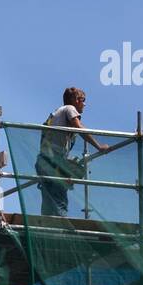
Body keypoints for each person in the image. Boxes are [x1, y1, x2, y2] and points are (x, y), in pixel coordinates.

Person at [36, 87, 109, 216]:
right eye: (83, 100)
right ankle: (61, 230)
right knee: (60, 201)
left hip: (44, 162)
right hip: (53, 162)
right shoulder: (69, 109)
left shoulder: (57, 114)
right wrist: (99, 146)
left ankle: (46, 228)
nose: (84, 104)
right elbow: (80, 128)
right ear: (75, 100)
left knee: (49, 202)